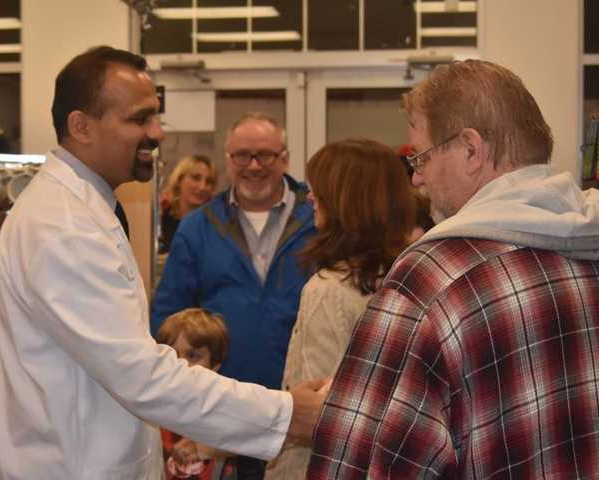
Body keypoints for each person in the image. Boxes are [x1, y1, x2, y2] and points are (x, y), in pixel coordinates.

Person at [0, 46, 325, 480]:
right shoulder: (62, 226)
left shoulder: (86, 209)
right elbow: (142, 375)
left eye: (156, 117)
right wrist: (286, 414)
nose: (158, 133)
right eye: (139, 119)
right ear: (81, 126)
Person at [308, 59, 599, 478]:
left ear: (469, 149)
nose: (416, 181)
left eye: (420, 159)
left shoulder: (431, 279)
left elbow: (359, 462)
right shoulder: (587, 245)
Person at [151, 111, 316, 478]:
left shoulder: (318, 221)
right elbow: (165, 323)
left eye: (265, 155)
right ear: (228, 160)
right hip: (219, 412)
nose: (253, 166)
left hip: (297, 413)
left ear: (285, 158)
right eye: (242, 155)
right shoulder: (197, 228)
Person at [265, 138, 416, 479]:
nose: (309, 197)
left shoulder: (328, 292)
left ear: (346, 201)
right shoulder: (410, 278)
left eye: (319, 189)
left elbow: (317, 417)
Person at [155, 307, 234, 480]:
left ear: (215, 365)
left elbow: (248, 440)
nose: (181, 365)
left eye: (192, 356)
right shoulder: (151, 415)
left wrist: (208, 447)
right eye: (172, 355)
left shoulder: (227, 414)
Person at [159, 154, 217, 254]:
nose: (202, 187)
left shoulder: (215, 225)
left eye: (209, 182)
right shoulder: (161, 217)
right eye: (196, 178)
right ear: (179, 181)